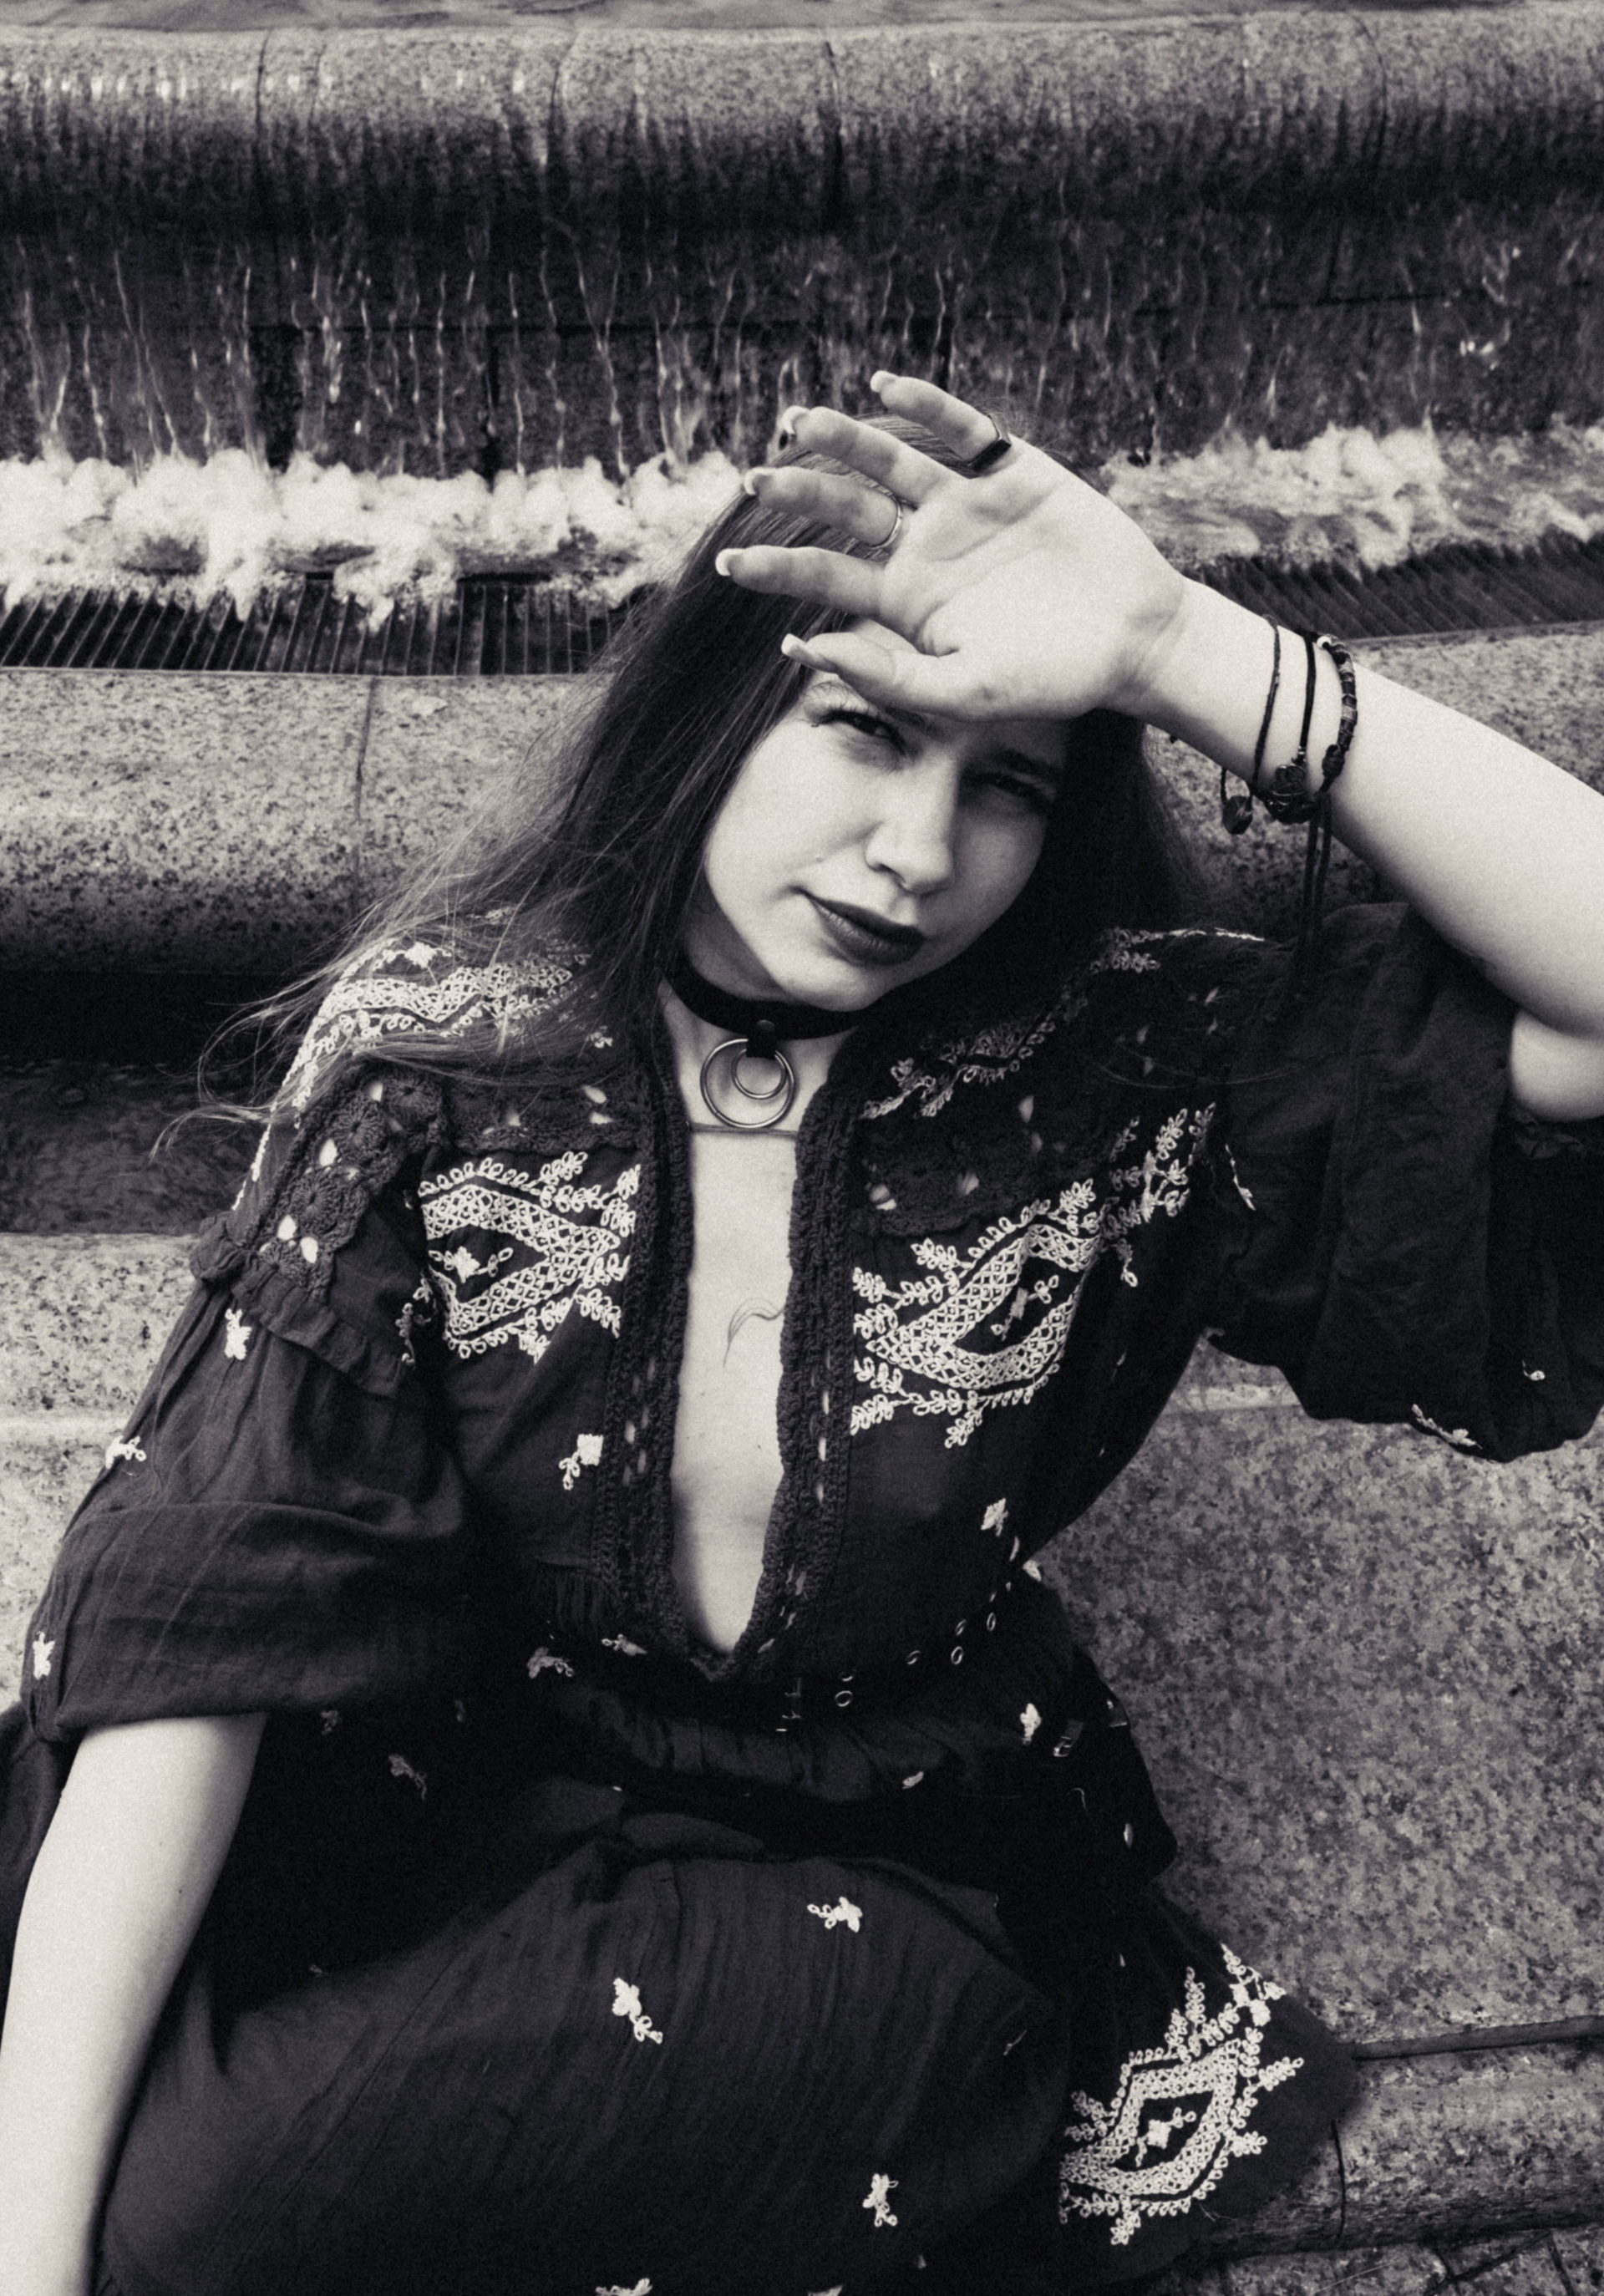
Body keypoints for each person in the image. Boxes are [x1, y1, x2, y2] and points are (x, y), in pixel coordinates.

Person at [1, 372, 1601, 2296]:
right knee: (84, 2099)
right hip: (436, 1803)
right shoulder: (440, 1067)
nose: (919, 852)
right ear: (710, 717)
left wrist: (1186, 645)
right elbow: (209, 1622)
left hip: (863, 1858)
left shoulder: (1115, 1071)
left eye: (1006, 787)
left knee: (211, 2214)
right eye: (865, 733)